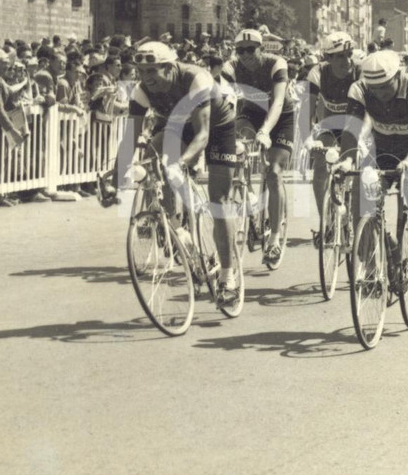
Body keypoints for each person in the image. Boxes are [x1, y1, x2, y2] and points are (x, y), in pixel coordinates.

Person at [109, 40, 241, 303]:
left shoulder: (196, 79)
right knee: (153, 158)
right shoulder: (141, 91)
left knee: (219, 201)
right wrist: (114, 181)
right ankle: (179, 228)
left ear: (169, 68)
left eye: (153, 71)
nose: (147, 79)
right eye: (142, 72)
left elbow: (202, 136)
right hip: (179, 125)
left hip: (216, 128)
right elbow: (129, 140)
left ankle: (228, 275)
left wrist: (181, 163)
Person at [337, 50, 408, 286]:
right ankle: (373, 264)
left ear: (398, 76)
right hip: (382, 153)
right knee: (362, 206)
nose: (380, 94)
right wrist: (348, 159)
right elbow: (351, 128)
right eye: (375, 89)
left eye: (385, 87)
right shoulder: (360, 89)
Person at [223, 28, 293, 266]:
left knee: (273, 173)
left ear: (261, 48)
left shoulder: (276, 64)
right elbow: (225, 101)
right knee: (237, 148)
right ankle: (247, 192)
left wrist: (265, 131)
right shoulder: (231, 67)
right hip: (250, 115)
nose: (245, 55)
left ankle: (274, 238)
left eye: (250, 49)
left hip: (281, 117)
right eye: (240, 50)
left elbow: (279, 101)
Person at [306, 31, 359, 244]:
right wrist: (310, 139)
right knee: (320, 167)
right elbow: (307, 113)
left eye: (349, 54)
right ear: (327, 58)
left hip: (355, 125)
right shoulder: (317, 73)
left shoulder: (360, 71)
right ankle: (327, 223)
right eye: (339, 56)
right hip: (328, 125)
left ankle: (358, 220)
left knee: (356, 169)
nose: (346, 60)